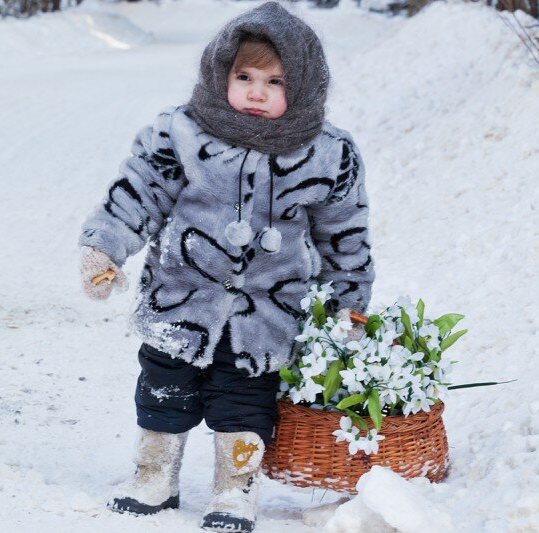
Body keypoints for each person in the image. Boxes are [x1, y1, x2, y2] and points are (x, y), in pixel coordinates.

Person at [77, 2, 374, 531]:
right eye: (244, 76)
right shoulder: (181, 133)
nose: (256, 91)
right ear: (220, 73)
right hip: (180, 296)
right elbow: (138, 193)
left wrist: (347, 303)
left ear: (303, 85)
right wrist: (105, 248)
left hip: (266, 311)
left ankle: (235, 490)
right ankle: (154, 476)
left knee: (246, 400)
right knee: (163, 387)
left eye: (275, 81)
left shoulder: (326, 154)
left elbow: (344, 233)